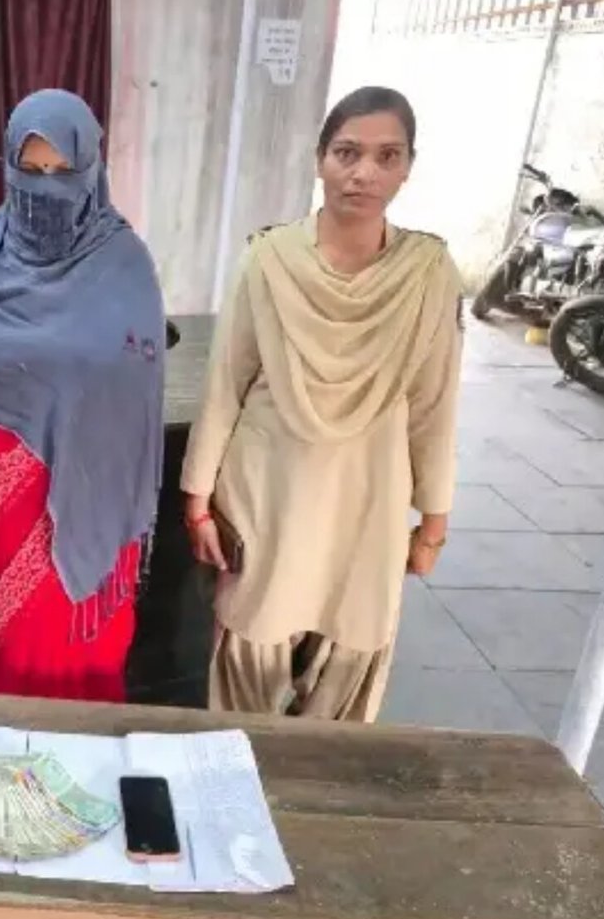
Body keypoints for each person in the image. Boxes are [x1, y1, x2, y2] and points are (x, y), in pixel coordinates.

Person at [181, 86, 464, 720]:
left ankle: (320, 775)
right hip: (270, 487)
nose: (364, 173)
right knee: (250, 654)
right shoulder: (270, 258)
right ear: (319, 160)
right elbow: (226, 382)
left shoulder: (427, 272)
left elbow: (435, 404)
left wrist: (433, 525)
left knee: (350, 652)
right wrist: (198, 503)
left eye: (387, 156)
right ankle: (242, 767)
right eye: (347, 152)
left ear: (408, 167)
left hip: (370, 497)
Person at [0, 89, 166, 702]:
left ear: (92, 170)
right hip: (10, 512)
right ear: (8, 168)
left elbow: (140, 394)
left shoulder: (125, 265)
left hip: (96, 507)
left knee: (90, 663)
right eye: (31, 171)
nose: (46, 188)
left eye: (63, 172)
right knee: (16, 662)